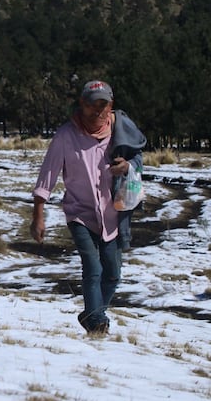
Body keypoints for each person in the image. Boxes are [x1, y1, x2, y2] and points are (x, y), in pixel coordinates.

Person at [30, 80, 146, 335]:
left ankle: (92, 314)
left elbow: (138, 158)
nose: (97, 110)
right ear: (81, 104)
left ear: (110, 106)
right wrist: (38, 216)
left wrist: (128, 166)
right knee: (93, 268)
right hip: (79, 213)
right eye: (91, 104)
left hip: (114, 215)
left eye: (102, 105)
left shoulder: (121, 131)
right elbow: (46, 177)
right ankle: (97, 325)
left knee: (113, 274)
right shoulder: (65, 136)